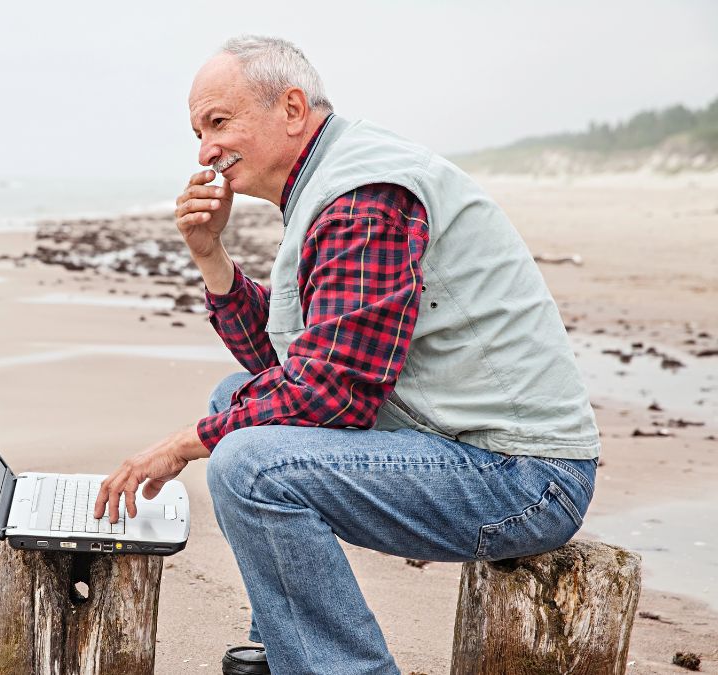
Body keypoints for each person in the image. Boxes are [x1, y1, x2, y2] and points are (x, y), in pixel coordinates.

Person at [92, 35, 600, 675]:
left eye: (219, 123)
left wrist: (179, 444)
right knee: (235, 406)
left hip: (524, 478)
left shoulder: (362, 195)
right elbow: (280, 366)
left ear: (292, 109)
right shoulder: (327, 183)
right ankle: (284, 651)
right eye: (198, 132)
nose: (205, 151)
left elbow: (335, 389)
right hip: (461, 445)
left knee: (248, 466)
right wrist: (209, 255)